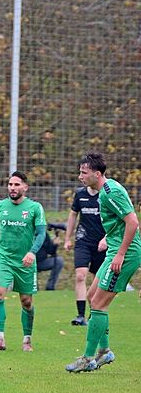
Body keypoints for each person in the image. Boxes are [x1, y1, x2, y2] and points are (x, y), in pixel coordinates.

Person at [65, 153, 140, 373]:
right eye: (80, 172)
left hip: (124, 254)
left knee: (98, 304)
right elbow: (121, 221)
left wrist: (120, 254)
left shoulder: (110, 192)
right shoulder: (106, 190)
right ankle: (104, 351)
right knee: (92, 297)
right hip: (114, 250)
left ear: (97, 174)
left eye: (84, 172)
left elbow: (133, 222)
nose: (80, 176)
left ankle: (88, 358)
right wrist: (108, 238)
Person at [0, 171, 46, 352]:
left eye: (16, 184)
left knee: (26, 301)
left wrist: (32, 252)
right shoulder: (0, 206)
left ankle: (27, 340)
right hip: (3, 258)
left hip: (25, 261)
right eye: (10, 184)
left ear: (25, 187)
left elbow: (41, 233)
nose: (12, 188)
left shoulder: (35, 208)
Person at [63, 183, 108, 326]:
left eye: (85, 173)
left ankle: (94, 313)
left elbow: (116, 220)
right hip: (83, 241)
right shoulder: (80, 194)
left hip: (101, 243)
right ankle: (80, 315)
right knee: (80, 275)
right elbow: (73, 214)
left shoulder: (106, 194)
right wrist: (67, 238)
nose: (82, 177)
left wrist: (106, 238)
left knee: (97, 279)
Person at [35, 224, 64, 291]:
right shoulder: (26, 233)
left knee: (59, 261)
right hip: (28, 263)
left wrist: (54, 244)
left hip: (42, 262)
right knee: (34, 288)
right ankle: (34, 287)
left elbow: (50, 251)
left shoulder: (44, 234)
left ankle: (50, 287)